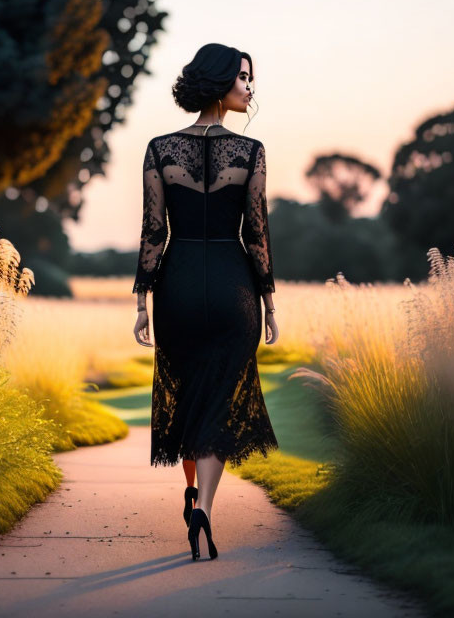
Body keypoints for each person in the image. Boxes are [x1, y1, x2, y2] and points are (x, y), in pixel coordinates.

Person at [132, 43, 279, 561]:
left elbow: (153, 230)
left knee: (189, 391)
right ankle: (206, 512)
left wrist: (140, 300)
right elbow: (257, 233)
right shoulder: (252, 152)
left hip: (177, 283)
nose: (249, 87)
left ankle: (191, 492)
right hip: (233, 283)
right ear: (220, 82)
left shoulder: (158, 148)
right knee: (219, 400)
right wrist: (270, 301)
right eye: (243, 77)